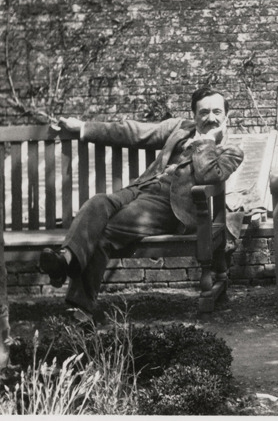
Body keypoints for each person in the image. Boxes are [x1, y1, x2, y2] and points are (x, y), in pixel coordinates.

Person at [39, 87, 244, 321]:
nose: (210, 118)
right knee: (98, 202)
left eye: (217, 112)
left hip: (170, 207)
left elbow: (209, 176)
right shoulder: (180, 128)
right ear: (194, 115)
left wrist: (206, 142)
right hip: (141, 188)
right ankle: (66, 260)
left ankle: (76, 301)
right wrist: (84, 127)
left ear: (227, 117)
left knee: (101, 232)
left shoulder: (231, 151)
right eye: (203, 112)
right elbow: (133, 132)